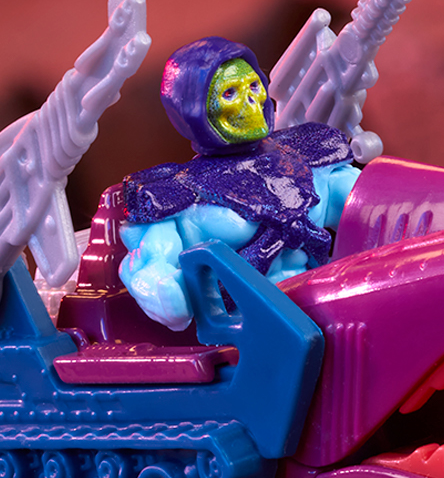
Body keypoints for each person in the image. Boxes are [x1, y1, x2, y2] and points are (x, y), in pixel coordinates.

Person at [119, 37, 360, 330]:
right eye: (230, 93)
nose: (250, 102)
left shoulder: (305, 155)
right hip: (249, 329)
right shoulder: (179, 195)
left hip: (333, 306)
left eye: (254, 87)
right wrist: (160, 287)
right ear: (194, 108)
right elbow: (154, 269)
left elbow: (363, 202)